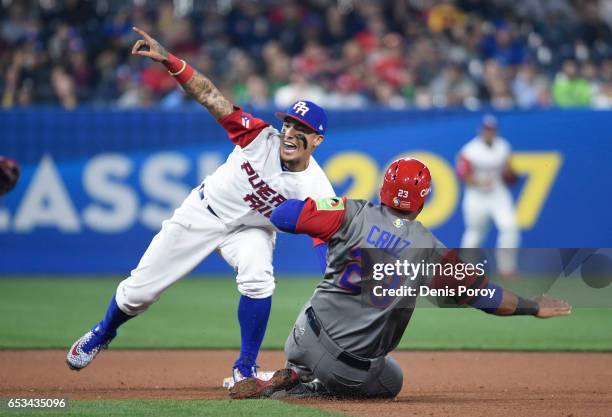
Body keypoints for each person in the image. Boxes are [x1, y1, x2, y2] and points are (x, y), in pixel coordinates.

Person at [66, 27, 335, 383]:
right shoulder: (259, 137)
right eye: (287, 122)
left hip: (251, 229)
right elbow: (210, 97)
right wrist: (171, 62)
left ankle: (245, 370)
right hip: (204, 212)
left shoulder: (316, 187)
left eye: (300, 127)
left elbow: (325, 237)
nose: (288, 132)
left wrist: (335, 281)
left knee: (258, 278)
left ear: (316, 140)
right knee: (138, 293)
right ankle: (103, 332)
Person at [229, 157, 571, 399]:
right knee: (393, 379)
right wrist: (532, 306)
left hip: (302, 337)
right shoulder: (430, 250)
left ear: (383, 189)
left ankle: (297, 372)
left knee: (320, 306)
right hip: (349, 372)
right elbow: (487, 299)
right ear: (422, 202)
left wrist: (325, 214)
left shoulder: (351, 212)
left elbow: (283, 216)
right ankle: (314, 388)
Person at [456, 115, 520, 277]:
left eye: (492, 130)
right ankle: (465, 270)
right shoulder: (469, 150)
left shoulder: (504, 146)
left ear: (496, 131)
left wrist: (509, 174)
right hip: (477, 195)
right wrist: (480, 183)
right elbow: (464, 174)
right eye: (486, 130)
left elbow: (510, 173)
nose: (489, 133)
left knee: (510, 227)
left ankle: (507, 269)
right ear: (481, 130)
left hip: (498, 194)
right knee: (475, 233)